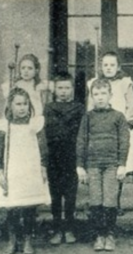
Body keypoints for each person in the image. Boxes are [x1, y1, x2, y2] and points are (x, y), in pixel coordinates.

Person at [0, 88, 51, 254]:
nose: (22, 108)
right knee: (12, 207)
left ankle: (27, 239)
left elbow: (43, 148)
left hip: (29, 171)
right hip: (12, 172)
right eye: (18, 104)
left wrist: (43, 166)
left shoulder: (35, 124)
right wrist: (0, 171)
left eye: (25, 104)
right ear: (10, 105)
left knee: (29, 207)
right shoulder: (4, 127)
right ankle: (12, 240)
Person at [76, 79, 129, 252]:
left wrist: (122, 164)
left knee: (110, 199)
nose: (99, 98)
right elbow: (81, 141)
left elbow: (124, 141)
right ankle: (99, 235)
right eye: (96, 94)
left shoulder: (118, 116)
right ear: (91, 97)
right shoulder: (88, 117)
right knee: (96, 199)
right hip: (92, 165)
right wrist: (80, 166)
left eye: (103, 93)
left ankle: (110, 234)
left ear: (110, 95)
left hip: (112, 165)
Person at [87, 51, 133, 216]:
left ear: (118, 67)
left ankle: (115, 201)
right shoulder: (94, 84)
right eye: (105, 65)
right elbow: (90, 106)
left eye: (112, 65)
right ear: (100, 67)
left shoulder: (124, 83)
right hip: (101, 129)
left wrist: (130, 122)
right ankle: (100, 202)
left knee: (118, 166)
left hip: (120, 127)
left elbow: (131, 105)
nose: (108, 68)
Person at [44, 72, 85, 245]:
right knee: (55, 193)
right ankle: (57, 227)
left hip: (71, 154)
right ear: (54, 89)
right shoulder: (48, 108)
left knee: (70, 193)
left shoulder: (79, 108)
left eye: (67, 88)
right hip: (54, 155)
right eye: (60, 88)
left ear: (72, 89)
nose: (63, 91)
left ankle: (68, 227)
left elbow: (82, 133)